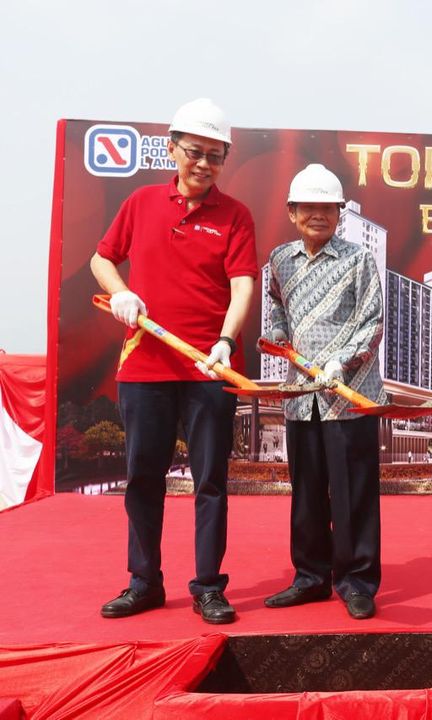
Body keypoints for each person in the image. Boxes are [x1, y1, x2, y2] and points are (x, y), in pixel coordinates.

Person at [91, 98, 257, 624]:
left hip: (208, 369)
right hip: (145, 366)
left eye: (215, 154)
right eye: (194, 151)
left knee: (210, 480)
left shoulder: (235, 215)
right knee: (143, 476)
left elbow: (243, 284)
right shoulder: (140, 202)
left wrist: (227, 341)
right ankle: (144, 582)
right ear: (171, 149)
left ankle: (209, 585)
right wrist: (121, 293)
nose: (204, 163)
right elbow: (101, 257)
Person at [262, 164, 386, 620]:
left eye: (328, 208)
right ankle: (310, 577)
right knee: (307, 491)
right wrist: (277, 338)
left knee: (353, 492)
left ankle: (356, 581)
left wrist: (342, 362)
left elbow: (371, 323)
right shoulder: (279, 259)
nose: (318, 215)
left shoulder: (358, 259)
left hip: (347, 396)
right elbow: (276, 307)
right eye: (308, 207)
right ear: (292, 211)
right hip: (300, 394)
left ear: (340, 213)